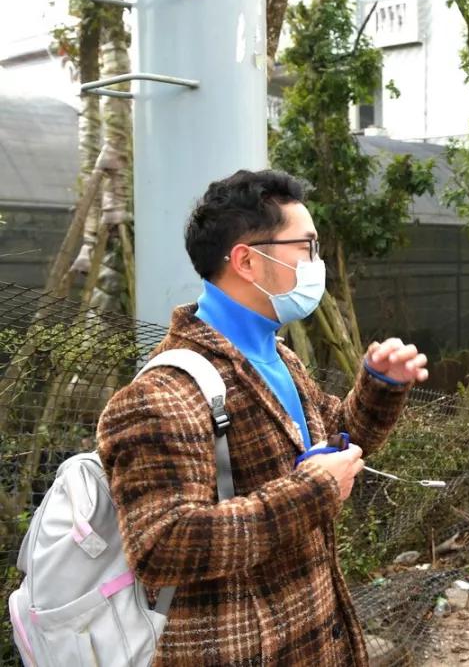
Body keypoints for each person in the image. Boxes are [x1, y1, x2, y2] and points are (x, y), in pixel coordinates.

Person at [97, 169, 428, 666]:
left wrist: (380, 386)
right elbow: (161, 545)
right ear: (248, 261)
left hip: (315, 639)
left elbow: (331, 444)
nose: (318, 264)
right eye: (306, 247)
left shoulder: (279, 357)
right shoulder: (162, 394)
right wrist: (313, 491)